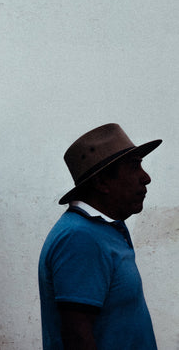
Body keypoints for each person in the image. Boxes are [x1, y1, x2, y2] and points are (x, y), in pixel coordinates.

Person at [38, 123, 161, 350]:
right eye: (134, 166)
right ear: (102, 182)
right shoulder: (80, 237)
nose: (146, 177)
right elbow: (77, 337)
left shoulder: (102, 229)